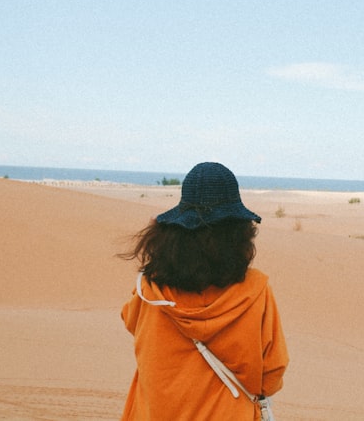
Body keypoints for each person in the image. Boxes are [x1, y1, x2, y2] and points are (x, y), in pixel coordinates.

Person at [119, 162, 288, 420]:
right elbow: (272, 373)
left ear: (175, 231)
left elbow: (130, 321)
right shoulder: (256, 291)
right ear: (238, 233)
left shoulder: (149, 289)